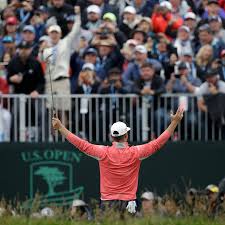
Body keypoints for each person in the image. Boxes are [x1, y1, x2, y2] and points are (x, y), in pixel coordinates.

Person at [52, 106, 184, 214]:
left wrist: (61, 128)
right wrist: (174, 122)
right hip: (129, 204)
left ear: (111, 137)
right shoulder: (136, 152)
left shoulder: (103, 152)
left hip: (107, 204)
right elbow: (157, 143)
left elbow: (81, 144)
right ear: (126, 135)